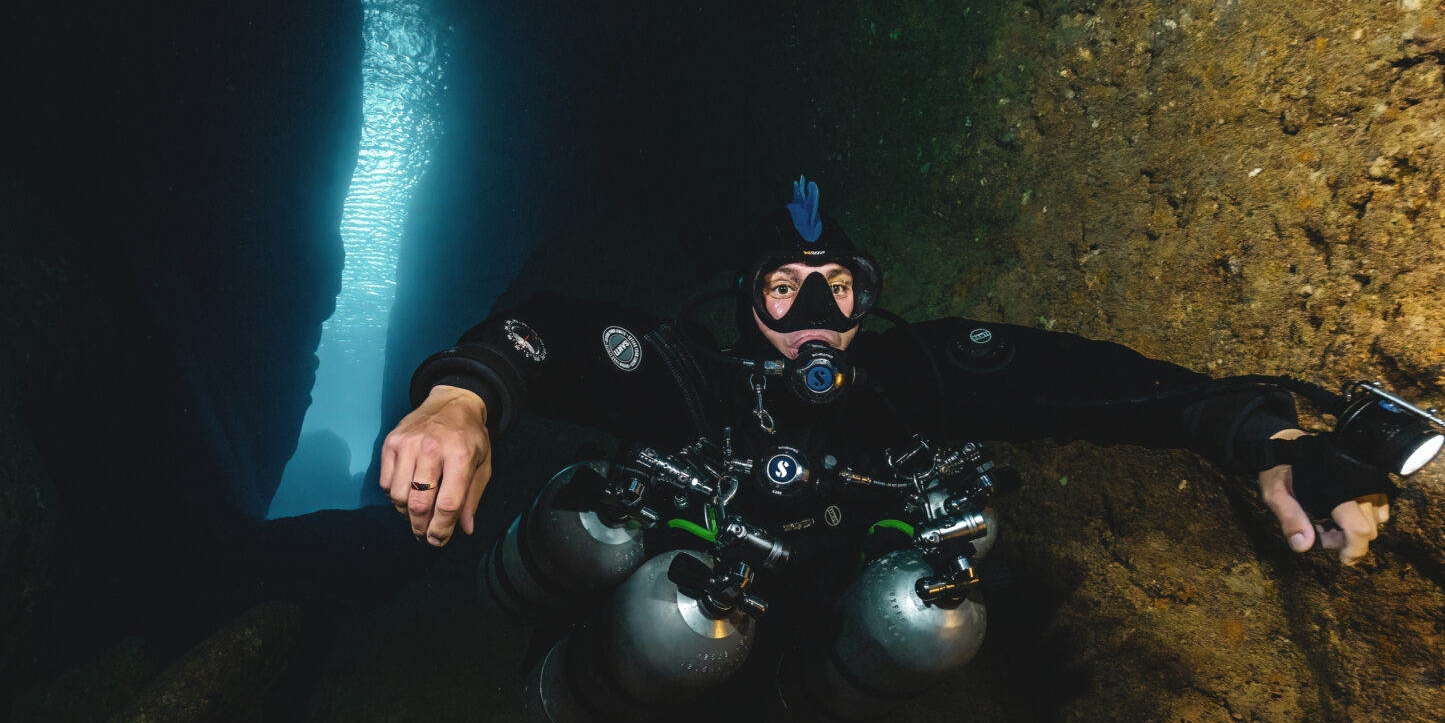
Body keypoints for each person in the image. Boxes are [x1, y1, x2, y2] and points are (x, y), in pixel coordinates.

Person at [382, 177, 1391, 569]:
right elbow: (549, 332)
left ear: (871, 300)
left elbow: (1102, 386)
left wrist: (1267, 441)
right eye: (783, 290)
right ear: (744, 304)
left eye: (839, 290)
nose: (816, 318)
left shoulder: (917, 377)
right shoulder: (694, 380)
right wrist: (460, 399)